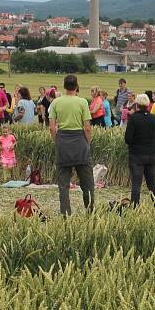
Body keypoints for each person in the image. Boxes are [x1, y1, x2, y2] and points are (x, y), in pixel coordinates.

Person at [49, 74, 95, 215]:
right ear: (76, 86)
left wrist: (57, 140)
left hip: (63, 141)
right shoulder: (82, 102)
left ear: (64, 86)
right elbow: (87, 127)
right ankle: (90, 211)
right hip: (79, 142)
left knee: (63, 185)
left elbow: (51, 127)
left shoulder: (56, 102)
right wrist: (87, 141)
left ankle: (65, 214)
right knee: (87, 183)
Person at [124, 93, 155, 206]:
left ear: (136, 104)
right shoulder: (154, 118)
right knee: (152, 183)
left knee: (136, 184)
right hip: (151, 154)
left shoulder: (133, 118)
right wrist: (151, 143)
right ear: (147, 104)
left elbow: (128, 138)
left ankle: (135, 207)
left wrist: (135, 144)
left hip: (136, 155)